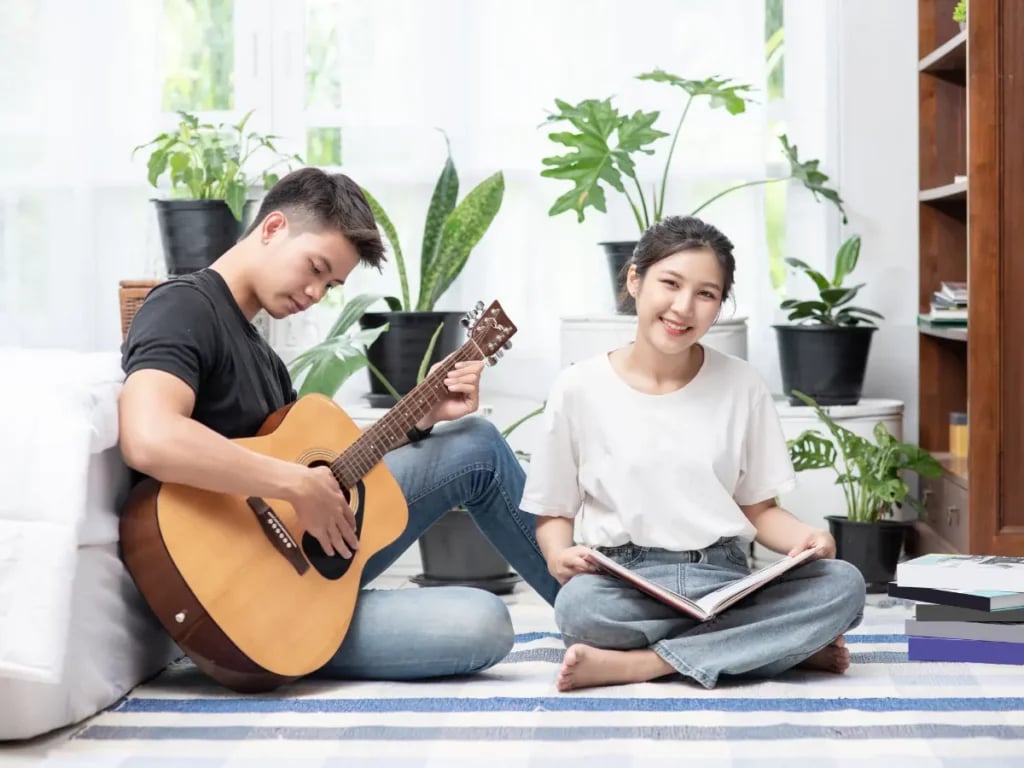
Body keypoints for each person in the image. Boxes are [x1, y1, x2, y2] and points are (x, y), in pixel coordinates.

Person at [118, 167, 560, 681]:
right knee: (484, 622)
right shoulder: (183, 305)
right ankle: (605, 614)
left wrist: (419, 418)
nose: (314, 292)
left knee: (475, 442)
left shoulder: (265, 359)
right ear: (272, 227)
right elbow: (148, 437)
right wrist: (294, 483)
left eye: (330, 285)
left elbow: (330, 481)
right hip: (239, 607)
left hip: (298, 577)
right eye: (315, 267)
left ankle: (594, 614)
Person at [520, 215, 866, 692]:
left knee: (842, 585)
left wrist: (807, 537)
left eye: (706, 294)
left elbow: (759, 510)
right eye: (670, 283)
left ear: (719, 305)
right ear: (635, 279)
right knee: (579, 610)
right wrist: (558, 554)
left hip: (724, 580)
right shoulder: (578, 387)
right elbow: (554, 512)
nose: (684, 308)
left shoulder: (742, 384)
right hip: (627, 584)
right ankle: (772, 648)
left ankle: (645, 664)